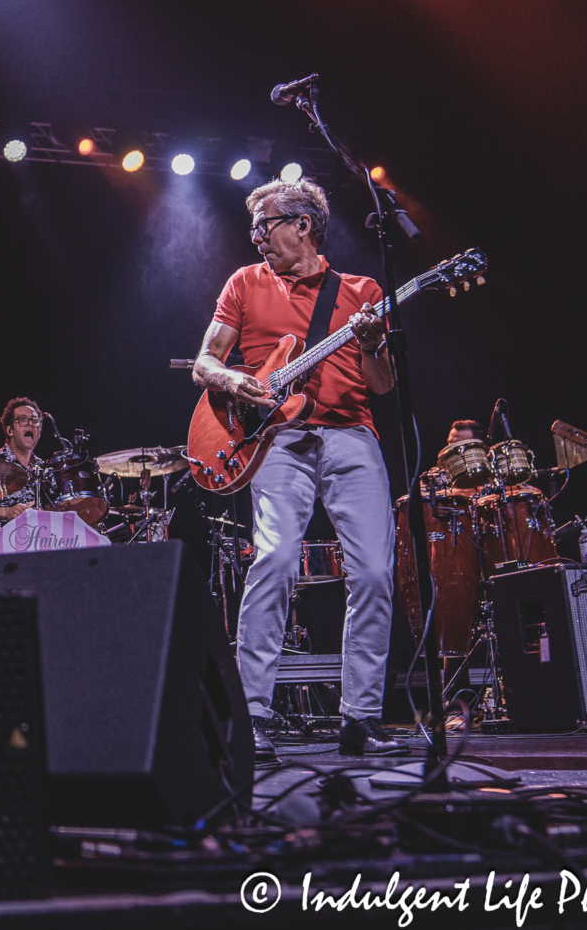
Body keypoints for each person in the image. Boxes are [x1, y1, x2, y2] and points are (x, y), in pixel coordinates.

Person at [191, 178, 406, 759]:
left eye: (265, 224)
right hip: (277, 439)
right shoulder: (244, 282)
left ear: (303, 224)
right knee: (277, 559)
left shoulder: (361, 290)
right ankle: (253, 715)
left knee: (374, 575)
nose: (256, 237)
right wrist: (235, 377)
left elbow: (382, 386)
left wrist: (370, 345)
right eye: (255, 227)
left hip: (351, 435)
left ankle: (360, 718)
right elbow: (205, 361)